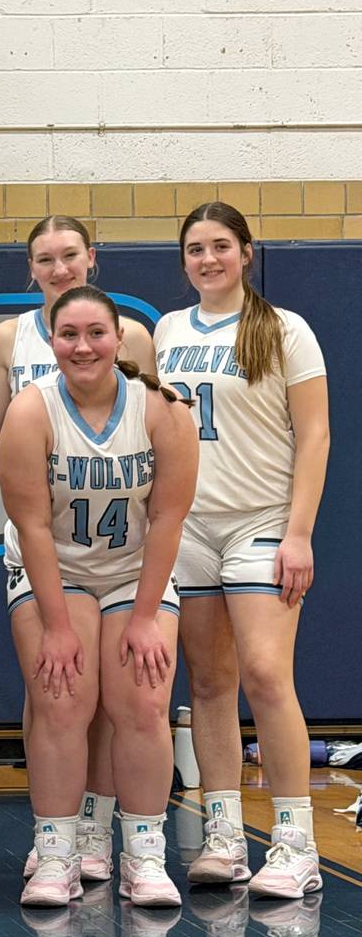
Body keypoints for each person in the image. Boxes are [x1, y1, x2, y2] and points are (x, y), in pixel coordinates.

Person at [0, 285, 198, 908]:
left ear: (119, 339)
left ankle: (144, 855)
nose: (83, 346)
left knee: (142, 700)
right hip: (56, 569)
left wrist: (145, 616)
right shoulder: (31, 411)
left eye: (96, 333)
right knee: (61, 698)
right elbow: (31, 527)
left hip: (136, 569)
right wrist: (56, 626)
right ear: (51, 341)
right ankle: (56, 853)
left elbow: (168, 519)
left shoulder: (162, 409)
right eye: (68, 335)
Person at [0, 214, 159, 885]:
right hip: (43, 530)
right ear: (30, 269)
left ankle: (99, 828)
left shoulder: (132, 337)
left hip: (118, 533)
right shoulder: (7, 338)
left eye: (69, 256)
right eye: (45, 260)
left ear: (92, 258)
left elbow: (151, 432)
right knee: (56, 695)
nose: (58, 269)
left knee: (121, 698)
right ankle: (57, 832)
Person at [157, 202, 329, 899]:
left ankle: (295, 841)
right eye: (195, 249)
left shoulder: (286, 329)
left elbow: (314, 435)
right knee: (208, 685)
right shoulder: (167, 330)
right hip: (191, 528)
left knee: (265, 674)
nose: (208, 259)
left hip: (261, 520)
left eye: (220, 246)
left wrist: (299, 532)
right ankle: (224, 835)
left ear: (247, 252)